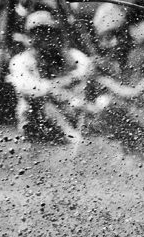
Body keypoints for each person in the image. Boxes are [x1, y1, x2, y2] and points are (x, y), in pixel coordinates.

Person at [86, 3, 144, 152]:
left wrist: (105, 82)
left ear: (126, 32)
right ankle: (130, 151)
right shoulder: (104, 63)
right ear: (100, 40)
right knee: (101, 109)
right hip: (134, 121)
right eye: (108, 36)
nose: (115, 41)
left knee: (107, 106)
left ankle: (143, 149)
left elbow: (137, 95)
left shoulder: (139, 56)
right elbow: (88, 103)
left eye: (118, 34)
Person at [7, 11, 92, 143]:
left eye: (48, 32)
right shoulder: (20, 61)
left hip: (69, 107)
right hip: (37, 117)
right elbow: (31, 89)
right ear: (29, 37)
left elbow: (87, 68)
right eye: (37, 33)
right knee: (40, 100)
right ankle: (69, 133)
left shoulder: (68, 55)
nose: (43, 37)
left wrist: (63, 86)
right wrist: (62, 84)